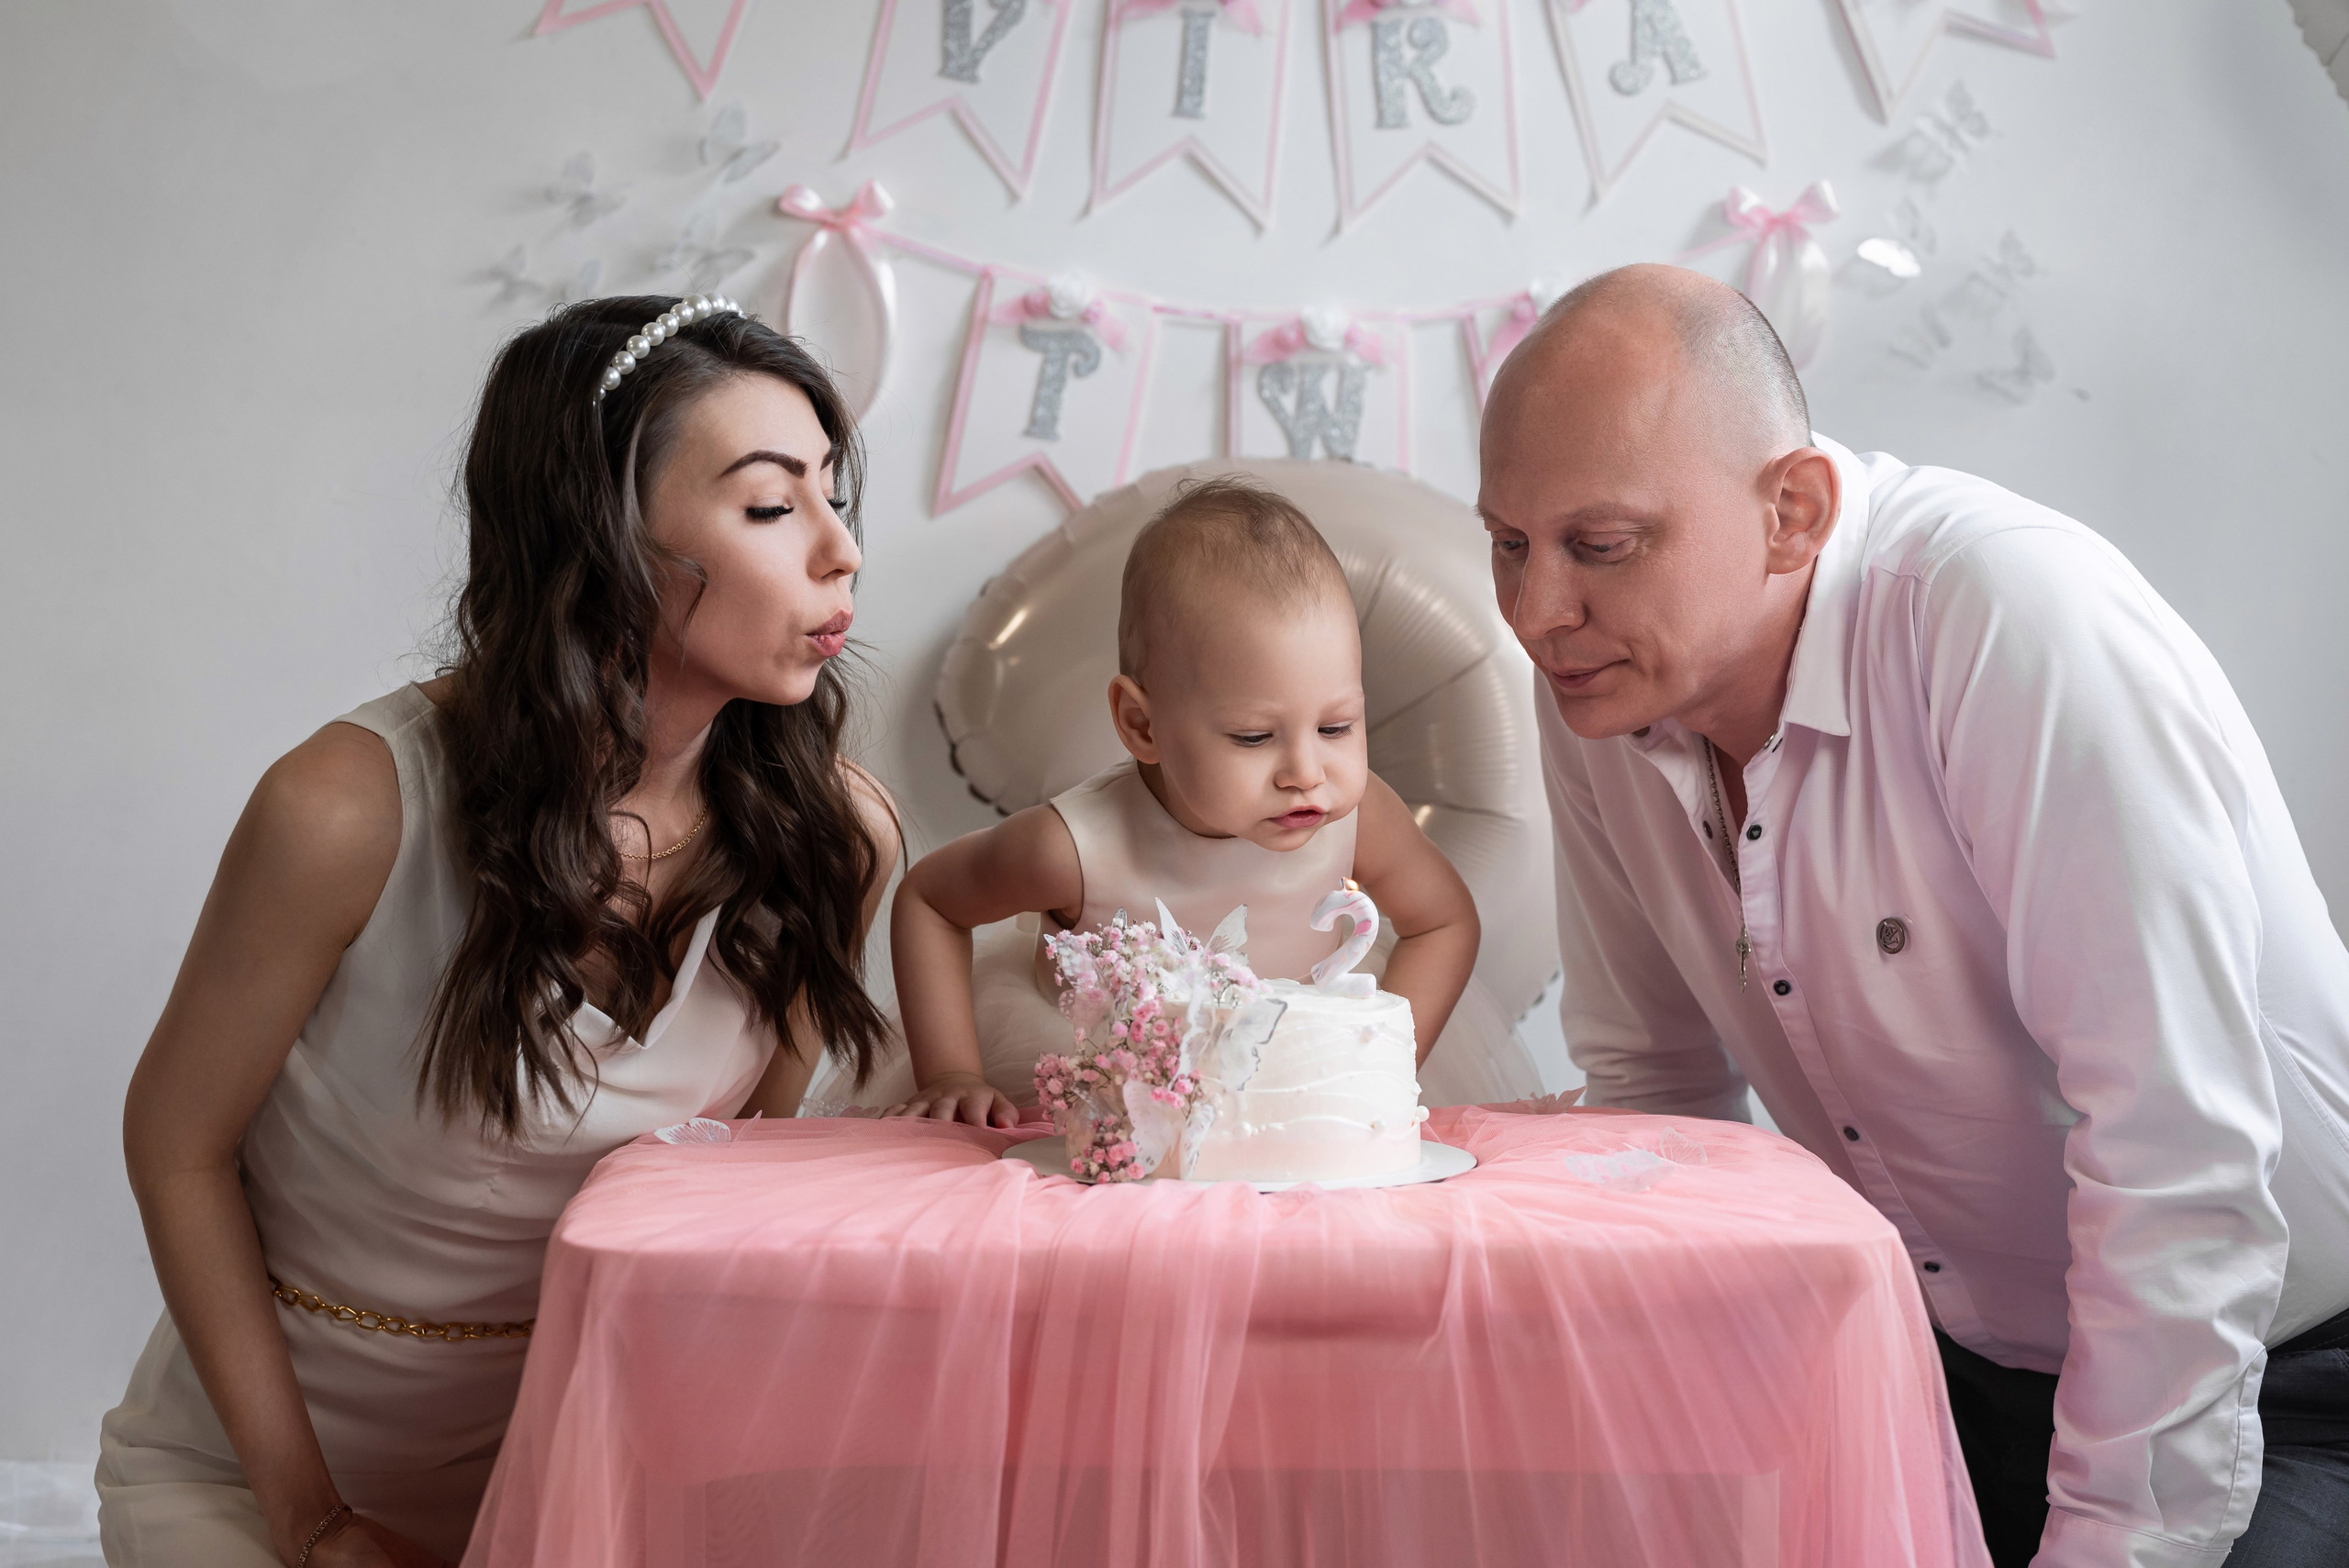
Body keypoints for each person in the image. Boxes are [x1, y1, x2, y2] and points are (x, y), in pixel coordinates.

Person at [1479, 263, 2349, 1568]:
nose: (1539, 612)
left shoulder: (2007, 617)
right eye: (1508, 541)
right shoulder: (1601, 684)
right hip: (1951, 1367)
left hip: (2280, 1375)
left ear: (1793, 511)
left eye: (1600, 545)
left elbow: (2177, 1145)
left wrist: (2109, 1541)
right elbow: (1658, 1093)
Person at [96, 295, 901, 1568]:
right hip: (269, 1483)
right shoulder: (347, 809)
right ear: (598, 532)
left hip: (588, 1468)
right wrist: (313, 1525)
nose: (839, 549)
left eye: (833, 493)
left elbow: (730, 1203)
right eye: (767, 505)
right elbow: (175, 1142)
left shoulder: (832, 841)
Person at [885, 476, 1482, 1130]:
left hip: (1293, 1092)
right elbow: (931, 901)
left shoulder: (1361, 818)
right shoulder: (1071, 848)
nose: (1307, 772)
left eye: (1336, 726)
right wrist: (950, 1071)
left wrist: (1370, 1068)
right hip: (1102, 1092)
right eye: (1254, 736)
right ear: (1143, 725)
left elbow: (1444, 921)